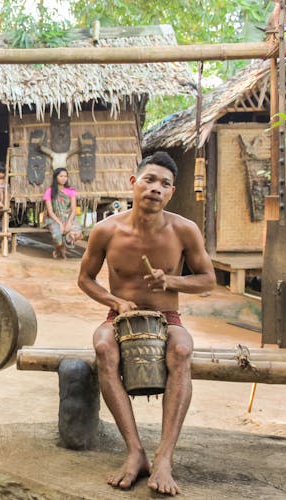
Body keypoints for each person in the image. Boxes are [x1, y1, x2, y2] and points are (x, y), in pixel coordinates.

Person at [77, 151, 215, 496]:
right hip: (119, 316)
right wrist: (115, 302)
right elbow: (85, 279)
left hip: (168, 318)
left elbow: (208, 280)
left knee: (182, 348)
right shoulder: (106, 230)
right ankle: (135, 451)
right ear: (133, 182)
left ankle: (164, 457)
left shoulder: (185, 230)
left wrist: (172, 281)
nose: (156, 188)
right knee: (103, 345)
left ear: (171, 193)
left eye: (165, 184)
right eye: (150, 180)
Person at [43, 167, 82, 259]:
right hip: (53, 219)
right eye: (61, 176)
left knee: (76, 234)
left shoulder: (71, 191)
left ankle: (62, 249)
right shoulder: (49, 191)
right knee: (58, 239)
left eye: (65, 176)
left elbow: (73, 210)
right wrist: (60, 224)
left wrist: (68, 223)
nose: (63, 178)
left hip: (69, 218)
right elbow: (50, 211)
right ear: (56, 177)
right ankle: (58, 249)